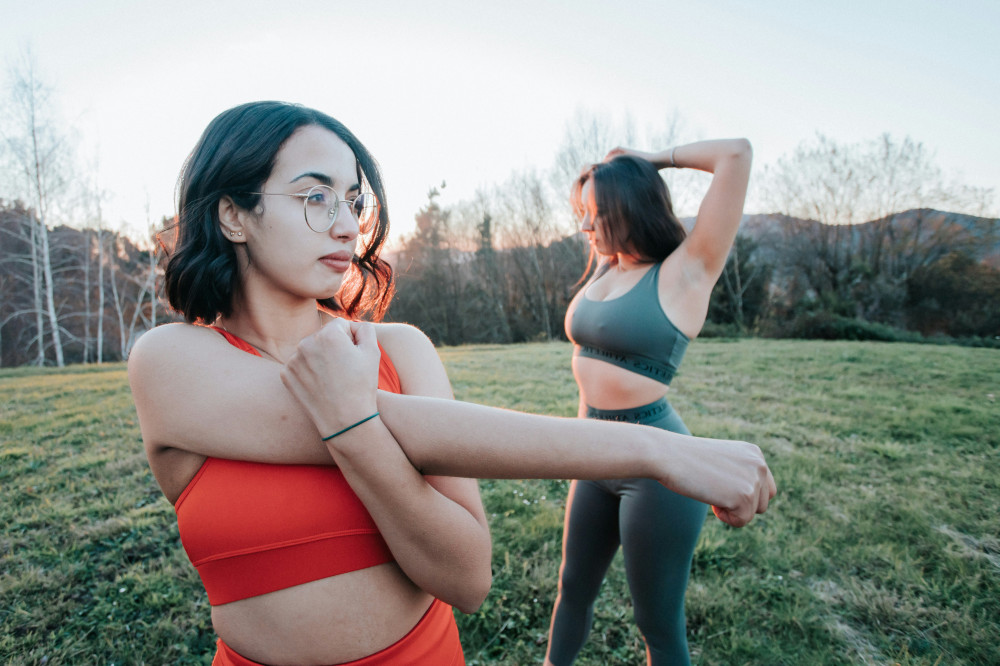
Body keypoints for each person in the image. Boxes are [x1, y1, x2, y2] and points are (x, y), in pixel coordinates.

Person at [128, 101, 774, 666]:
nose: (348, 225)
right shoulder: (169, 359)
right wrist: (655, 449)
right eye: (315, 196)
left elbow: (466, 580)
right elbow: (403, 426)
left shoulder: (401, 349)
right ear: (233, 215)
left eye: (354, 200)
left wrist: (354, 427)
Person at [543, 139, 754, 666]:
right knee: (572, 589)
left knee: (656, 622)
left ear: (630, 207)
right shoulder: (607, 265)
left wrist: (649, 160)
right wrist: (608, 174)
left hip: (658, 467)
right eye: (583, 213)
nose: (585, 226)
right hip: (593, 454)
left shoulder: (688, 270)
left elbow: (736, 155)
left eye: (596, 214)